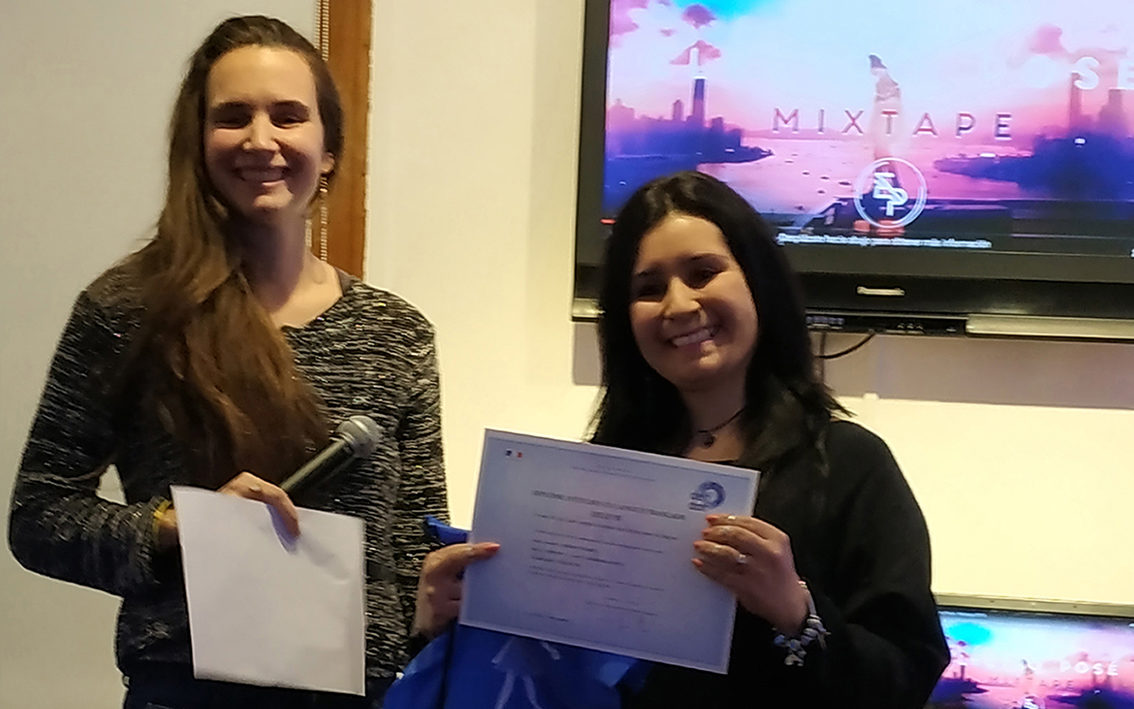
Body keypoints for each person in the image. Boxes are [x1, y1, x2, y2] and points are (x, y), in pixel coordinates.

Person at [8, 16, 446, 708]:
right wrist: (178, 525)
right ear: (198, 142)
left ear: (329, 149)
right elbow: (38, 517)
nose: (260, 139)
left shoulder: (397, 333)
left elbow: (415, 549)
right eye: (233, 116)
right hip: (185, 693)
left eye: (288, 116)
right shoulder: (127, 309)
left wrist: (450, 594)